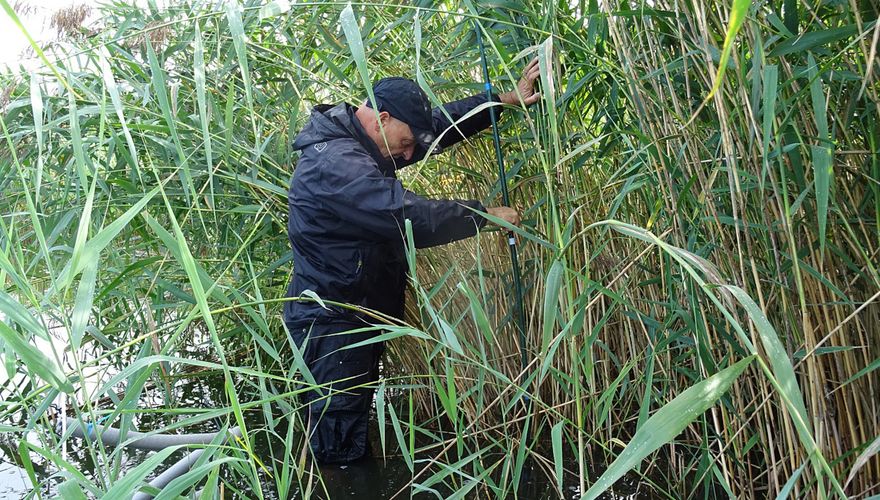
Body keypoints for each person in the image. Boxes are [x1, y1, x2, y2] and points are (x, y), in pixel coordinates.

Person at [284, 58, 541, 464]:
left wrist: (503, 100)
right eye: (405, 145)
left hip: (355, 311)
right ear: (382, 118)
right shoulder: (335, 164)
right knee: (339, 443)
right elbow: (403, 215)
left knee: (346, 421)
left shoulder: (370, 138)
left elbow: (435, 126)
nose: (409, 156)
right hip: (333, 320)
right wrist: (483, 215)